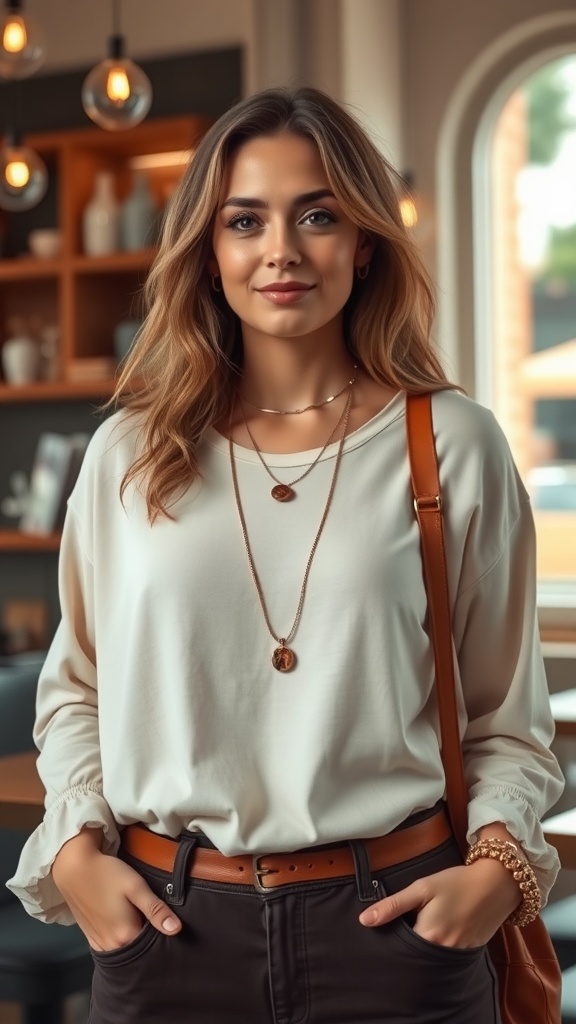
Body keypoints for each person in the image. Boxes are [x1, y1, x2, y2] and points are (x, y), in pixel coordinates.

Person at [8, 87, 564, 1024]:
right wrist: (76, 858)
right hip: (165, 933)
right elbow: (77, 692)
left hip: (398, 935)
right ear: (208, 250)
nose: (282, 250)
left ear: (365, 242)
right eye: (244, 220)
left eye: (318, 215)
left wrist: (496, 880)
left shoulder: (452, 443)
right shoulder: (128, 453)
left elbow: (507, 720)